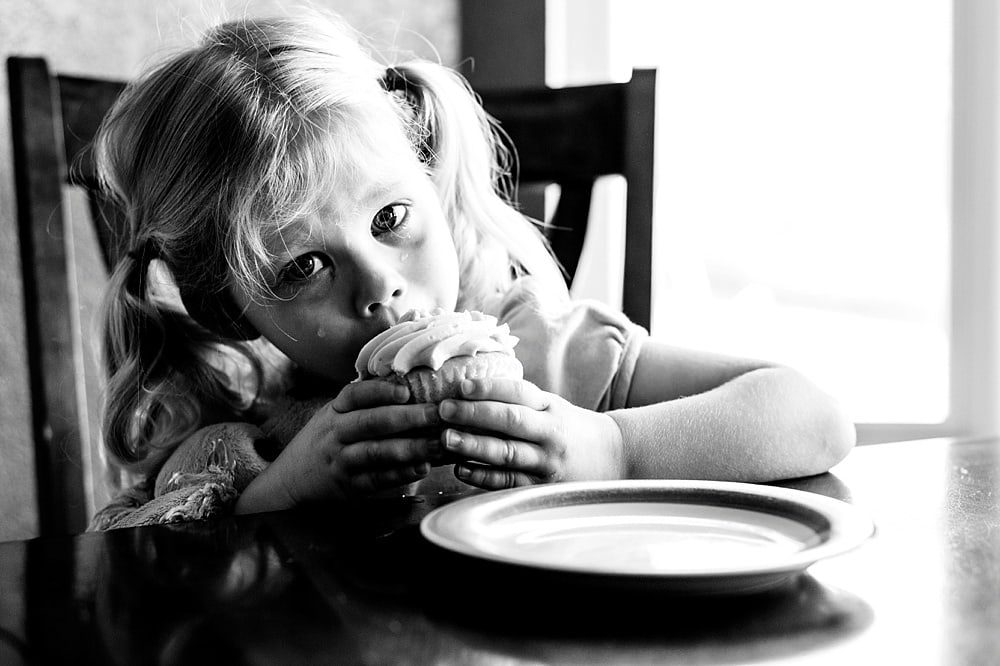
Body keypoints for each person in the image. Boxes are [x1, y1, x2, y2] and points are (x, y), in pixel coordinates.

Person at [89, 11, 855, 530]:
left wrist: (614, 447)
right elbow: (149, 546)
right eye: (304, 266)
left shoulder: (550, 355)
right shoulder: (253, 425)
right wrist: (285, 488)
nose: (379, 285)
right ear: (229, 309)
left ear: (430, 178)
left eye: (390, 220)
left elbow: (812, 417)